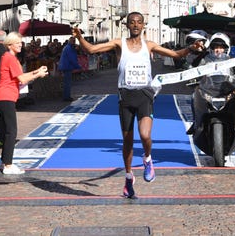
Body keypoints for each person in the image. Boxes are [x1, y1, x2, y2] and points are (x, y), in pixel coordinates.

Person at [72, 12, 203, 198]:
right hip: (125, 97)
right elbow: (92, 50)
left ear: (143, 26)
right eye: (132, 22)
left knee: (145, 135)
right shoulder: (119, 43)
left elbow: (175, 54)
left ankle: (147, 159)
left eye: (139, 22)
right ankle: (128, 177)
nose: (135, 25)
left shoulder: (149, 45)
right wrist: (79, 37)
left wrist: (191, 48)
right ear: (127, 25)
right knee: (127, 141)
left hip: (144, 95)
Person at [0, 32, 49, 175]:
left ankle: (4, 162)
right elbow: (22, 80)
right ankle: (8, 165)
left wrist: (36, 71)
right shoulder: (10, 58)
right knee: (11, 131)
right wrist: (38, 74)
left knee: (8, 131)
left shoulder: (8, 57)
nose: (21, 44)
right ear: (10, 44)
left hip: (5, 96)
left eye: (21, 42)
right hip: (6, 96)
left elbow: (21, 77)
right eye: (18, 42)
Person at [58, 36, 82, 102]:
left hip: (66, 66)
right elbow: (72, 58)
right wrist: (78, 66)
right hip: (67, 66)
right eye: (73, 41)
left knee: (67, 82)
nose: (74, 42)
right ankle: (66, 97)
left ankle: (66, 96)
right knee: (67, 83)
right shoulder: (69, 48)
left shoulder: (68, 47)